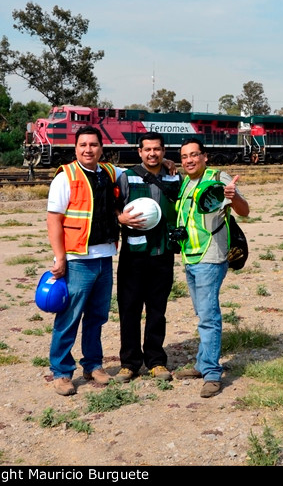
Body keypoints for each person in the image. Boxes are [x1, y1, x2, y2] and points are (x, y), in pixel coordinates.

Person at [46, 126, 119, 396]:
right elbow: (53, 219)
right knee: (69, 317)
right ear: (75, 149)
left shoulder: (110, 172)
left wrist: (167, 163)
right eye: (83, 145)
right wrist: (60, 257)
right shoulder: (65, 177)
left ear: (102, 148)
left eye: (93, 145)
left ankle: (93, 364)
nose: (88, 149)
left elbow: (138, 171)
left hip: (104, 257)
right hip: (77, 260)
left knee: (97, 317)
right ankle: (62, 372)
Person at [174, 137, 249, 398]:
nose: (189, 160)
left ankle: (212, 374)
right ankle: (203, 364)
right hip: (190, 257)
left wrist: (234, 195)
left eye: (194, 155)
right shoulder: (185, 182)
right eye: (184, 156)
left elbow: (244, 210)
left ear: (205, 156)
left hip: (211, 257)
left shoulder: (218, 177)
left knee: (209, 316)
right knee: (202, 313)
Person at [115, 131, 181, 382]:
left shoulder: (175, 177)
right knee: (129, 309)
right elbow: (111, 205)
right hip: (133, 255)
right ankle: (129, 363)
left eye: (157, 149)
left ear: (164, 151)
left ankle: (156, 360)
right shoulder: (126, 177)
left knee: (157, 310)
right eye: (147, 149)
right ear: (139, 151)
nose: (152, 153)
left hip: (162, 253)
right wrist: (118, 218)